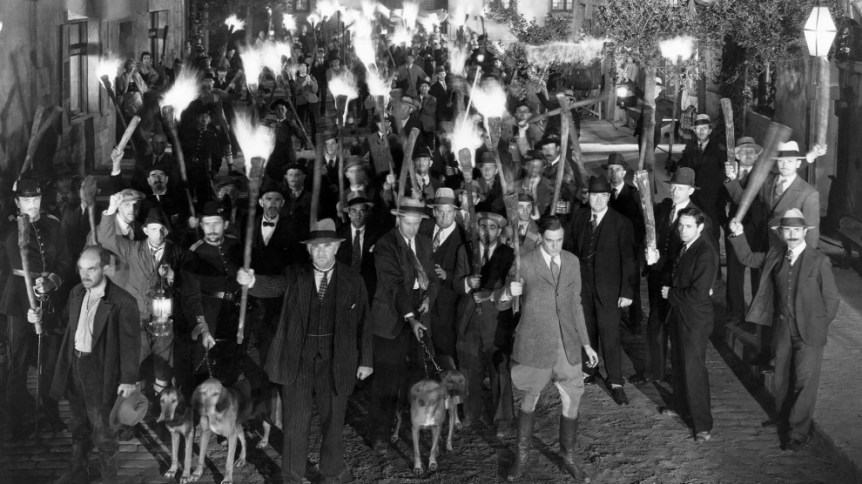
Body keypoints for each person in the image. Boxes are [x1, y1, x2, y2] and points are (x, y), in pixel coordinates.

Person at [237, 219, 374, 484]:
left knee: (333, 422)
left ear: (336, 248)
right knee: (295, 424)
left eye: (326, 246)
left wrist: (366, 360)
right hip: (298, 359)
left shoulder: (352, 279)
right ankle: (291, 475)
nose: (321, 252)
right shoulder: (294, 274)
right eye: (315, 247)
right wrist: (252, 281)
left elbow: (365, 322)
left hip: (338, 360)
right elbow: (272, 286)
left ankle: (331, 472)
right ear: (308, 251)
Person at [728, 209, 839, 451]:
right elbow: (747, 258)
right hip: (782, 328)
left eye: (796, 230)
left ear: (804, 233)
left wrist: (818, 325)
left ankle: (798, 432)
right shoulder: (775, 256)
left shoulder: (818, 260)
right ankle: (782, 419)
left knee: (804, 380)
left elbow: (831, 299)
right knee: (782, 378)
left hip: (810, 332)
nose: (791, 234)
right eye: (787, 230)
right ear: (781, 233)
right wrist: (738, 235)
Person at [507, 216, 599, 482]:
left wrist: (585, 343)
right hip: (535, 343)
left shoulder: (571, 262)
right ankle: (521, 459)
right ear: (540, 239)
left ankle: (568, 458)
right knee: (529, 398)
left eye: (559, 241)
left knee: (573, 398)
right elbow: (504, 300)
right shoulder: (524, 262)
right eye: (549, 241)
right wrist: (507, 291)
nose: (555, 246)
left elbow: (575, 304)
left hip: (566, 343)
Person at [47, 246, 140, 483]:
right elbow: (65, 325)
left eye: (91, 269)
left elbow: (131, 343)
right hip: (75, 366)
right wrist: (40, 316)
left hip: (100, 372)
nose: (84, 274)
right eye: (80, 269)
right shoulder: (77, 292)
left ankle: (109, 479)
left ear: (106, 269)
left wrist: (128, 379)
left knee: (104, 432)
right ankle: (78, 471)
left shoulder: (123, 301)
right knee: (78, 425)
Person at [1, 179, 73, 438]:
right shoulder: (7, 227)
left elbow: (65, 259)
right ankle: (16, 421)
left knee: (49, 362)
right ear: (18, 202)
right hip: (19, 303)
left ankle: (50, 415)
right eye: (27, 201)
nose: (32, 205)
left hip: (49, 300)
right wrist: (21, 304)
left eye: (36, 200)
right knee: (18, 363)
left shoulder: (53, 224)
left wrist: (51, 281)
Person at [368, 197, 439, 452]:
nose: (412, 228)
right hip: (391, 318)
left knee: (421, 375)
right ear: (398, 220)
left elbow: (431, 277)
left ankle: (420, 428)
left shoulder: (423, 242)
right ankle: (380, 434)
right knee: (387, 379)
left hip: (419, 312)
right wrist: (410, 319)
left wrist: (429, 299)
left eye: (416, 223)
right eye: (407, 223)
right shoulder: (386, 245)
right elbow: (394, 287)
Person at [97, 199, 184, 399]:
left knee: (163, 368)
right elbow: (106, 238)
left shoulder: (177, 252)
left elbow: (188, 285)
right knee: (134, 367)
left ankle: (160, 416)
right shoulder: (132, 249)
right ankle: (133, 416)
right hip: (136, 319)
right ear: (145, 230)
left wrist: (172, 276)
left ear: (167, 232)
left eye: (162, 229)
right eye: (153, 229)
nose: (158, 234)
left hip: (163, 322)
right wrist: (110, 210)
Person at [647, 206, 719, 443]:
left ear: (700, 227)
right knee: (678, 363)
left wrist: (671, 294)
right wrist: (655, 262)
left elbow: (699, 294)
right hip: (679, 315)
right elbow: (672, 271)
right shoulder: (684, 247)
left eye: (688, 226)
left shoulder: (705, 253)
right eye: (681, 225)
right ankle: (680, 405)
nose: (683, 230)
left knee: (694, 369)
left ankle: (702, 425)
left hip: (695, 320)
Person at [632, 167, 709, 385]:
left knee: (677, 331)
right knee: (655, 324)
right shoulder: (666, 207)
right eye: (673, 186)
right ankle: (653, 371)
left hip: (679, 284)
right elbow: (648, 216)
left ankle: (679, 378)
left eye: (681, 188)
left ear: (691, 191)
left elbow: (701, 255)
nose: (675, 191)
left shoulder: (698, 218)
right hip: (658, 277)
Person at [565, 176, 635, 405]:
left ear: (608, 197)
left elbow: (628, 259)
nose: (597, 200)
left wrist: (626, 291)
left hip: (610, 289)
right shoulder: (579, 217)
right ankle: (589, 370)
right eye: (593, 196)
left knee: (610, 334)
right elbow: (570, 249)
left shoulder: (621, 223)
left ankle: (615, 381)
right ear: (588, 197)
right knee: (586, 329)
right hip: (583, 287)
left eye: (602, 196)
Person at [455, 211, 515, 436]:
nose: (486, 231)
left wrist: (492, 294)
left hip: (496, 318)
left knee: (499, 366)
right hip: (469, 317)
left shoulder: (507, 253)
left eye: (492, 227)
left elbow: (512, 285)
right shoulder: (465, 250)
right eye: (482, 226)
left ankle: (504, 419)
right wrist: (466, 282)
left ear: (499, 231)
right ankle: (471, 412)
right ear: (476, 228)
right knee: (469, 365)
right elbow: (454, 282)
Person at [724, 140, 825, 250]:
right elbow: (741, 199)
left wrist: (806, 261)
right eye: (781, 161)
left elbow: (812, 234)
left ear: (798, 163)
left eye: (790, 161)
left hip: (786, 251)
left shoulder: (809, 193)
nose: (784, 165)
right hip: (762, 247)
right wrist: (732, 178)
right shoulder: (766, 181)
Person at [722, 137, 766, 325]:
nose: (748, 154)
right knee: (734, 273)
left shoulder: (763, 175)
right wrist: (724, 223)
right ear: (737, 155)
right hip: (734, 227)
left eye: (752, 151)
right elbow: (718, 201)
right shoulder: (727, 174)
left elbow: (745, 199)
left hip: (757, 230)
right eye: (743, 151)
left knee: (758, 274)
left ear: (757, 156)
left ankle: (756, 315)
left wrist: (732, 182)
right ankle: (736, 313)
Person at [423, 188, 470, 359]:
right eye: (440, 212)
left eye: (449, 212)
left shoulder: (464, 238)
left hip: (447, 309)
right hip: (421, 304)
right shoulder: (422, 230)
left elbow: (468, 277)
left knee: (445, 353)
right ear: (434, 211)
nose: (444, 217)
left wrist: (447, 276)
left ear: (455, 212)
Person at [605, 153, 645, 330]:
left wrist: (636, 245)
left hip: (629, 249)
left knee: (632, 283)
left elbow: (642, 222)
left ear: (624, 173)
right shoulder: (602, 193)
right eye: (610, 170)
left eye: (617, 170)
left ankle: (635, 321)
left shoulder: (634, 194)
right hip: (607, 248)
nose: (613, 173)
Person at [676, 114, 724, 248]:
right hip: (693, 199)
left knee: (712, 233)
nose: (701, 131)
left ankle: (714, 265)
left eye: (704, 128)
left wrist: (717, 193)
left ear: (710, 130)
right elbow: (683, 164)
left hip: (712, 201)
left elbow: (724, 173)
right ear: (694, 131)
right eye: (698, 128)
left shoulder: (719, 149)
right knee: (691, 231)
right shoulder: (690, 148)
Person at [336, 193, 382, 300]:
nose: (358, 215)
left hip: (368, 288)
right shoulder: (339, 235)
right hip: (343, 286)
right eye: (354, 211)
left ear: (366, 213)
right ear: (348, 213)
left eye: (362, 211)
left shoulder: (376, 235)